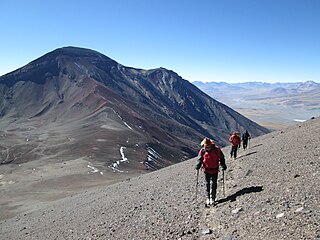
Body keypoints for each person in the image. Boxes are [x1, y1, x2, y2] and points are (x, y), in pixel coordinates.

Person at [195, 137, 227, 206]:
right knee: (207, 184)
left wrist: (223, 165)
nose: (206, 148)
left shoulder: (216, 149)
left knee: (213, 184)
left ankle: (213, 198)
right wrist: (198, 165)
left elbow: (221, 157)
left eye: (207, 147)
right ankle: (208, 197)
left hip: (215, 170)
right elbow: (199, 159)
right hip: (206, 170)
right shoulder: (203, 151)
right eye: (205, 146)